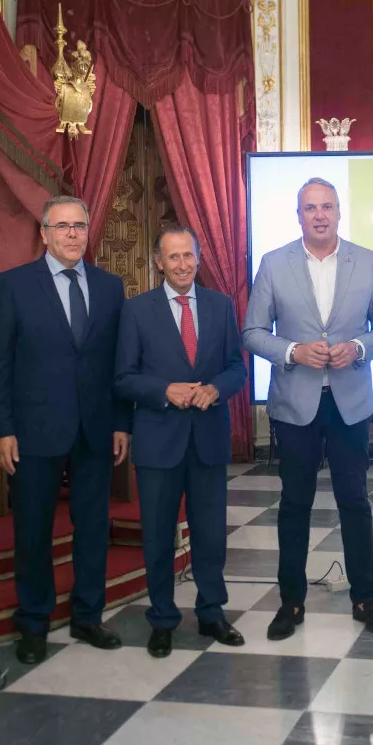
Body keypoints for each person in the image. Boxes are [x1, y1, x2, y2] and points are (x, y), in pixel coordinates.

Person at [242, 177, 373, 640]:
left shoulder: (367, 261)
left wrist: (357, 346)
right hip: (296, 405)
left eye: (327, 206)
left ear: (337, 212)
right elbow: (253, 332)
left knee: (355, 502)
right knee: (295, 504)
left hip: (350, 403)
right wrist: (292, 351)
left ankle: (364, 598)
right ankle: (290, 602)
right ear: (298, 215)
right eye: (310, 208)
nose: (319, 215)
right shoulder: (274, 264)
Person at [0, 196, 132, 665]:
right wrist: (2, 429)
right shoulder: (13, 285)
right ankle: (33, 622)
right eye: (62, 227)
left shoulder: (111, 287)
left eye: (79, 226)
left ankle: (88, 615)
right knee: (33, 530)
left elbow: (118, 365)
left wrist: (120, 423)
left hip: (94, 429)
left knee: (92, 527)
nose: (72, 234)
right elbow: (0, 365)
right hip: (33, 430)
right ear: (44, 234)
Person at [116, 226, 247, 657]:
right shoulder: (136, 311)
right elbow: (123, 378)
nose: (183, 264)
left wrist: (217, 389)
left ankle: (212, 613)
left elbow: (235, 367)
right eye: (173, 257)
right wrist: (163, 391)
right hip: (159, 441)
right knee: (157, 536)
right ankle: (163, 619)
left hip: (208, 439)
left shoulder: (220, 305)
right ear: (158, 262)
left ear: (199, 258)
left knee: (211, 535)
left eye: (188, 256)